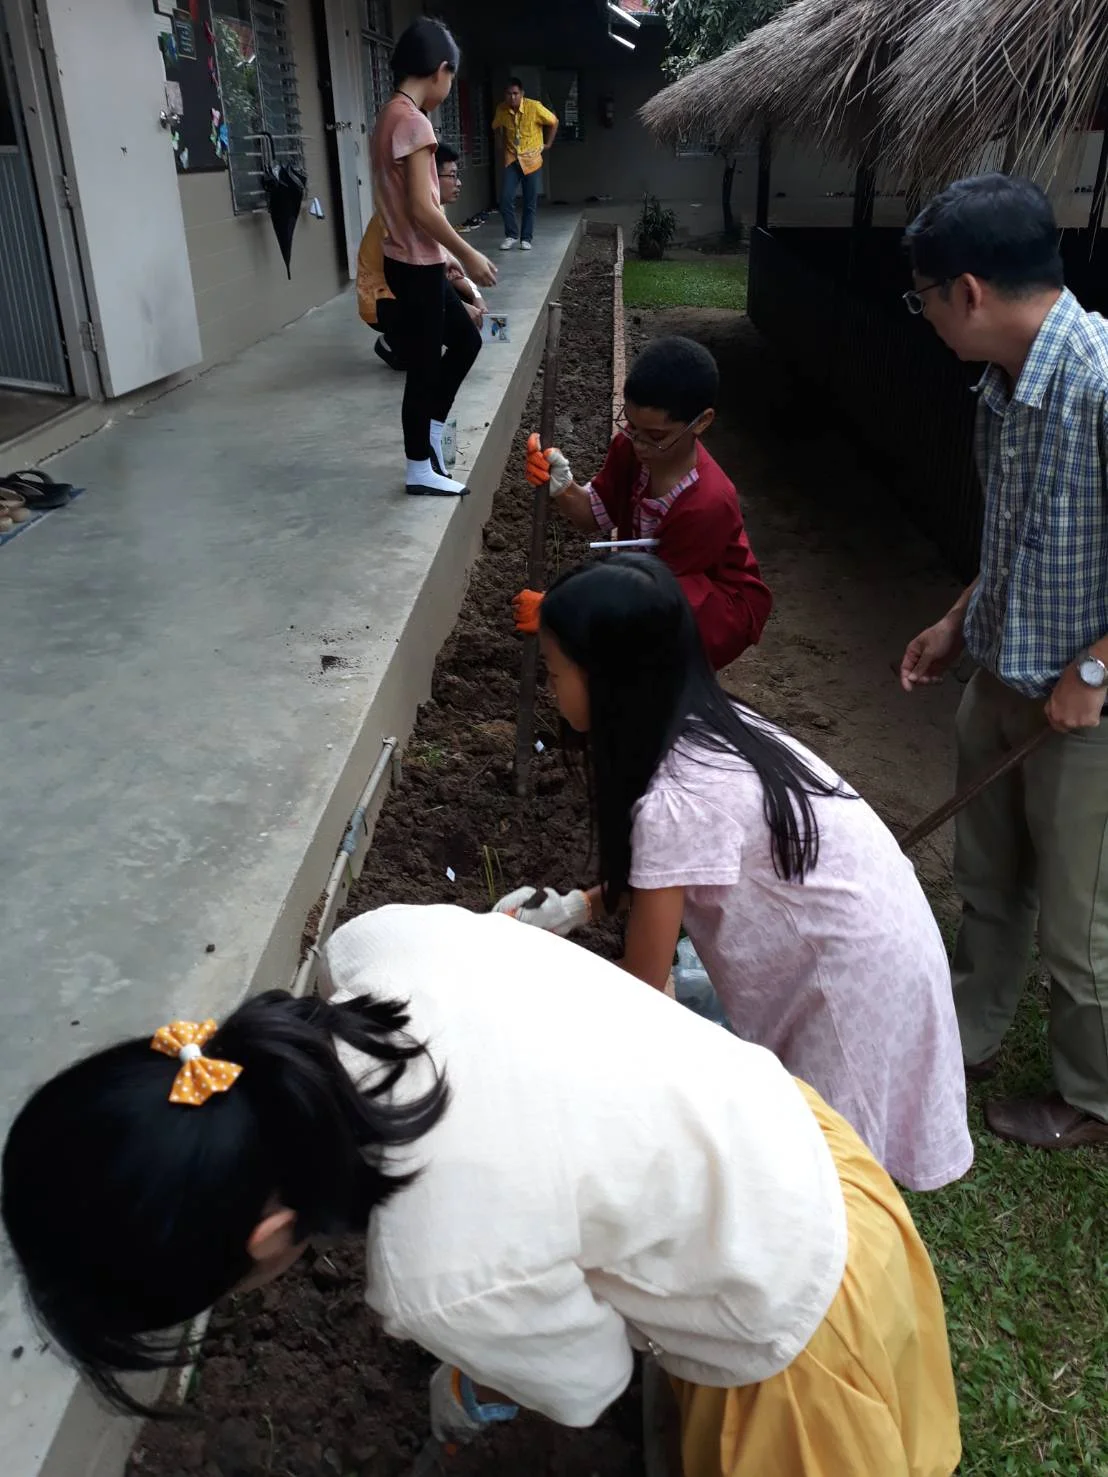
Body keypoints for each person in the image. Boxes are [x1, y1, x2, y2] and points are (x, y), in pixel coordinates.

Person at [2, 903, 961, 1477]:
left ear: (263, 1239)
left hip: (788, 1303)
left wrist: (482, 1369)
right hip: (790, 1138)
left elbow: (594, 1377)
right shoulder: (377, 944)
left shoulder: (438, 1277)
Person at [499, 555, 972, 1192]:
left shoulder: (674, 800)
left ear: (606, 679)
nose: (551, 690)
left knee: (831, 1181)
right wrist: (578, 908)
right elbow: (663, 874)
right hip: (878, 941)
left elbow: (641, 992)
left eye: (555, 673)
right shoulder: (713, 726)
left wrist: (532, 986)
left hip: (850, 987)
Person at [899, 173, 1108, 1151]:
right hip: (1002, 677)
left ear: (969, 292)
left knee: (1080, 917)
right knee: (986, 878)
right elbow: (1017, 536)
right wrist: (958, 621)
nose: (925, 318)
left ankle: (1092, 1095)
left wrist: (1094, 671)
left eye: (924, 298)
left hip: (1084, 712)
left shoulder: (1099, 385)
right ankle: (970, 1029)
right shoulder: (1001, 388)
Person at [523, 336, 772, 670]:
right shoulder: (632, 448)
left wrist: (563, 611)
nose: (639, 443)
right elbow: (594, 514)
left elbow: (654, 600)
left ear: (702, 421)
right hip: (655, 589)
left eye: (655, 436)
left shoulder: (707, 503)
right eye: (631, 426)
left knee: (641, 658)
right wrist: (563, 487)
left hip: (708, 610)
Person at [368, 19, 496, 497]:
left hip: (414, 261)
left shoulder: (388, 115)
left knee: (465, 341)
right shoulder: (414, 122)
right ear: (441, 70)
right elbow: (423, 208)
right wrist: (468, 252)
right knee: (423, 366)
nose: (448, 87)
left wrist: (445, 257)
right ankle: (419, 468)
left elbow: (408, 207)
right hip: (414, 266)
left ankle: (432, 434)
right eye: (451, 78)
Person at [358, 144, 486, 372]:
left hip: (410, 289)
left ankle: (415, 339)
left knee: (461, 295)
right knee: (429, 355)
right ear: (430, 177)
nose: (458, 183)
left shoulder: (433, 209)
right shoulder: (406, 215)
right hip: (382, 301)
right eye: (452, 176)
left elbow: (450, 269)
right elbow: (421, 278)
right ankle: (394, 342)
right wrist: (461, 308)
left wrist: (475, 296)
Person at [492, 78, 558, 252]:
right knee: (505, 199)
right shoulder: (501, 109)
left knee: (530, 202)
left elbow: (554, 121)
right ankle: (511, 235)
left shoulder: (534, 107)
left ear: (522, 94)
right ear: (505, 95)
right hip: (512, 159)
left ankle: (526, 238)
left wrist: (548, 144)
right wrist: (500, 142)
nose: (512, 97)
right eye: (509, 94)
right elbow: (496, 126)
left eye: (515, 93)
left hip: (531, 161)